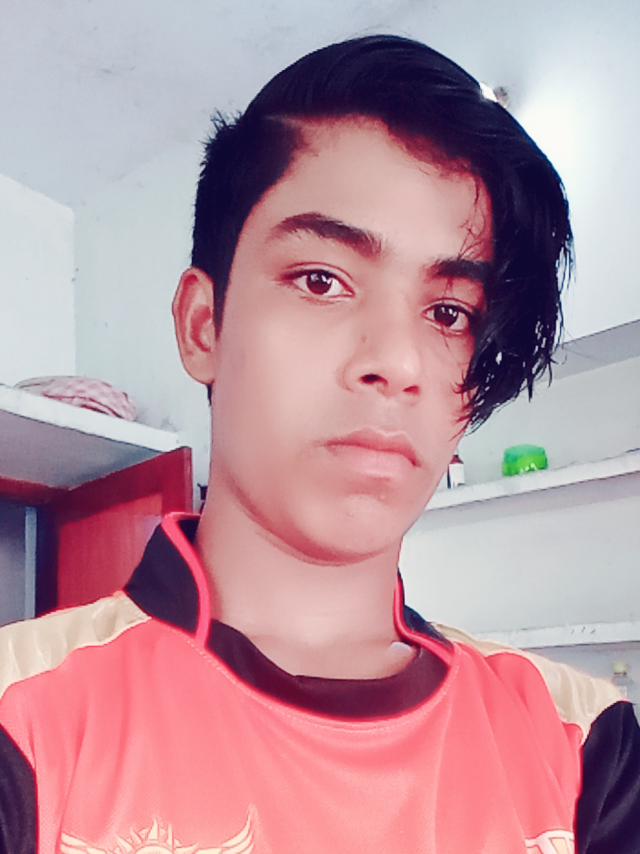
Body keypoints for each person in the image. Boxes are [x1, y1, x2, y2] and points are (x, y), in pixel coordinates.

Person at [1, 35, 638, 854]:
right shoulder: (24, 719)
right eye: (321, 280)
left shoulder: (588, 747)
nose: (398, 362)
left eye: (448, 313)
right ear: (204, 326)